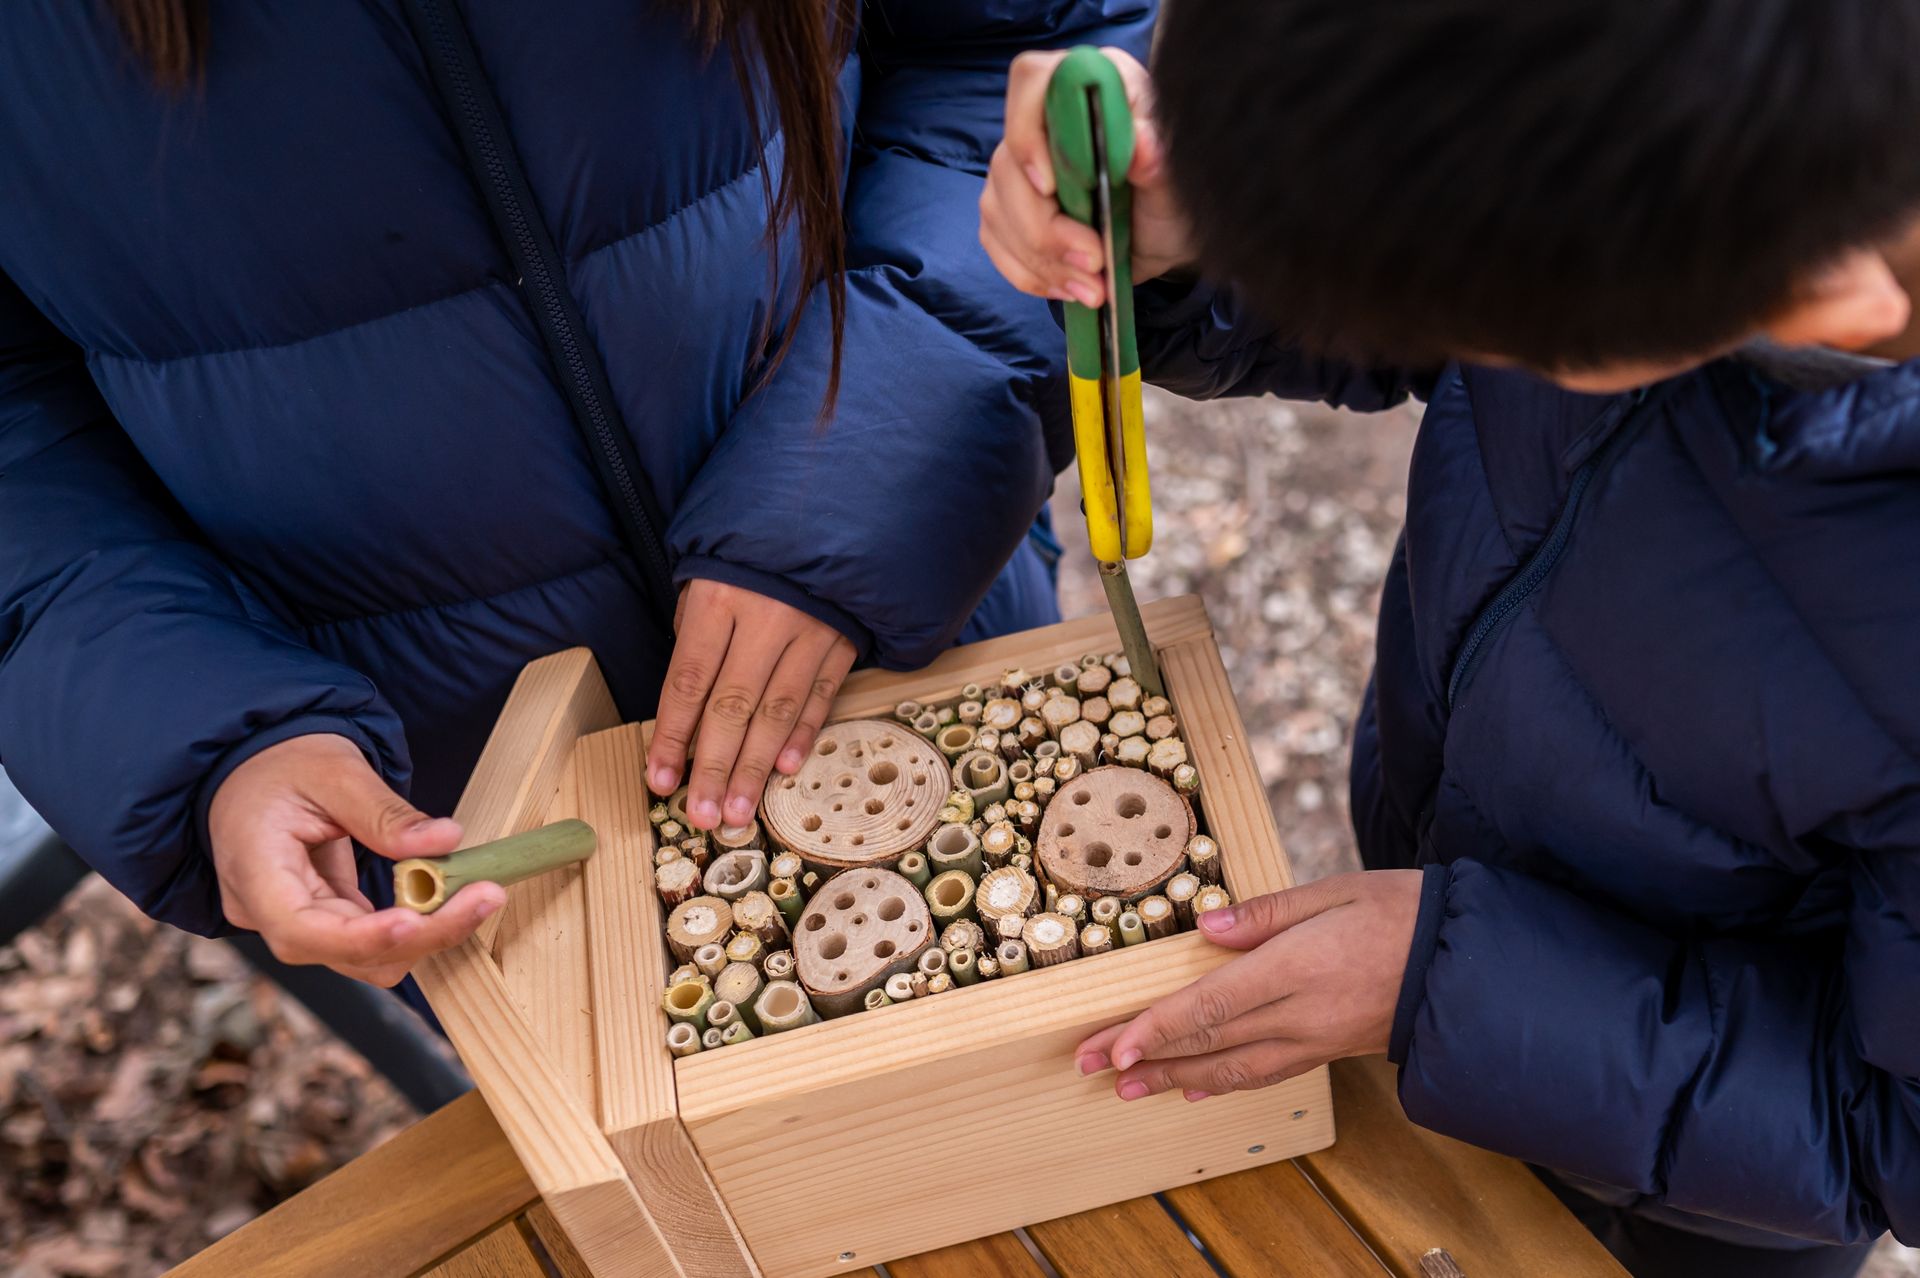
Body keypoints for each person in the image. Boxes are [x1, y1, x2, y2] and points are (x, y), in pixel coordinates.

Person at [979, 6, 1919, 1276]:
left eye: (1513, 346)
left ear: (1822, 304)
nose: (1471, 363)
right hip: (1438, 906)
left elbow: (1885, 1135)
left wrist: (1446, 986)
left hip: (1704, 1212)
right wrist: (1198, 229)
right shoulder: (1650, 161)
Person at [0, 0, 1152, 993]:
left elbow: (1035, 53)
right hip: (462, 808)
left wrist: (864, 477)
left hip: (922, 587)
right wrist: (204, 732)